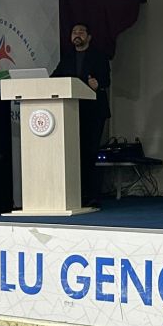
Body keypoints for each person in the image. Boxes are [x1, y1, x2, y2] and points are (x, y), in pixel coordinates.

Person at [52, 23, 110, 208]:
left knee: (90, 153)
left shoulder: (99, 56)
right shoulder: (67, 58)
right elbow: (54, 79)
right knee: (73, 154)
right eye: (74, 32)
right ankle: (75, 194)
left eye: (81, 32)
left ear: (89, 37)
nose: (77, 35)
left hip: (93, 112)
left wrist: (98, 84)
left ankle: (92, 196)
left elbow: (106, 80)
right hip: (71, 112)